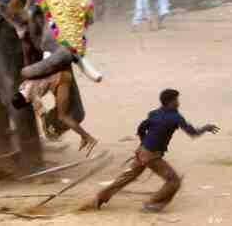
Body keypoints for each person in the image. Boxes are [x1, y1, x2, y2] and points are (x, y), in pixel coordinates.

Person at [83, 89, 219, 213]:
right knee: (174, 181)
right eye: (176, 100)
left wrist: (143, 143)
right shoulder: (176, 117)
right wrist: (205, 128)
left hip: (141, 151)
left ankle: (98, 199)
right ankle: (151, 204)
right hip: (151, 156)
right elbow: (192, 133)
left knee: (126, 178)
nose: (178, 103)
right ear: (169, 102)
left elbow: (141, 128)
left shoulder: (154, 113)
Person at [12, 51, 98, 157]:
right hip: (57, 78)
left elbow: (43, 115)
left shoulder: (33, 97)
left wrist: (45, 127)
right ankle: (83, 136)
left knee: (62, 116)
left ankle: (89, 138)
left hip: (61, 80)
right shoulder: (22, 86)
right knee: (62, 111)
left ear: (25, 102)